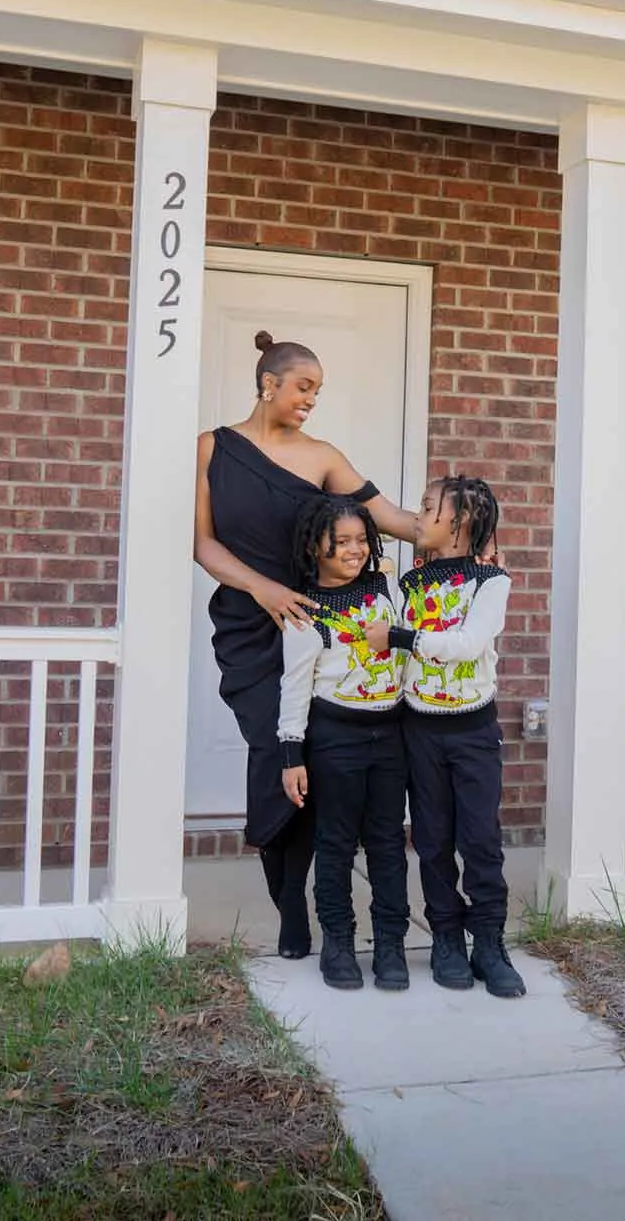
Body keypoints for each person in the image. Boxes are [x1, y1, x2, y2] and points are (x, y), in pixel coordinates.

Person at [192, 332, 421, 960]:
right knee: (274, 754)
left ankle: (312, 910)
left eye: (317, 391)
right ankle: (289, 908)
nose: (311, 400)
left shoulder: (323, 456)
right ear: (270, 382)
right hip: (249, 624)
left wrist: (463, 535)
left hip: (320, 630)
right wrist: (263, 589)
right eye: (304, 387)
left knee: (315, 762)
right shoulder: (213, 449)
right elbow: (203, 543)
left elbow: (392, 519)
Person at [365, 474, 524, 998]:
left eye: (428, 507)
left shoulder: (490, 583)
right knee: (432, 840)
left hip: (472, 731)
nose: (417, 514)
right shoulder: (408, 584)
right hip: (420, 732)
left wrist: (403, 637)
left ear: (460, 522)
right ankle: (447, 940)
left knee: (479, 840)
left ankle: (490, 943)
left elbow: (467, 642)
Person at [276, 495, 412, 991]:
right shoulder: (303, 612)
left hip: (391, 734)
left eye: (362, 540)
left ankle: (391, 943)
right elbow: (294, 686)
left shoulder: (386, 588)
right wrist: (292, 755)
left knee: (388, 842)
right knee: (333, 844)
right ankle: (338, 941)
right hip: (335, 738)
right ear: (316, 546)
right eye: (342, 542)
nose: (355, 550)